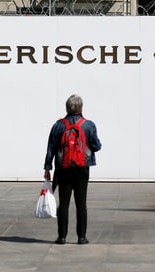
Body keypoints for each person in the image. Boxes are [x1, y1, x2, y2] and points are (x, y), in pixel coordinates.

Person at [44, 94, 101, 245]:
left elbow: (51, 147)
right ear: (81, 108)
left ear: (66, 108)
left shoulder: (58, 125)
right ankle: (81, 237)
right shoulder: (88, 125)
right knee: (81, 203)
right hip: (82, 169)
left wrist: (47, 167)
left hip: (63, 168)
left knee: (63, 203)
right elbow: (97, 146)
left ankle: (62, 237)